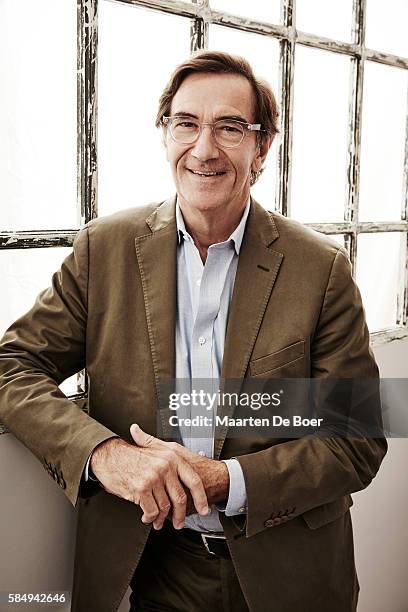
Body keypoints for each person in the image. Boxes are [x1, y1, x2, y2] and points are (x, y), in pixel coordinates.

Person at [0, 51, 387, 612]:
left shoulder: (321, 270)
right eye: (186, 124)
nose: (204, 149)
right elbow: (11, 367)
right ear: (166, 136)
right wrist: (105, 454)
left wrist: (226, 480)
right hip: (152, 570)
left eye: (230, 128)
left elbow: (358, 439)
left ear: (261, 149)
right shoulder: (102, 250)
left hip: (290, 577)